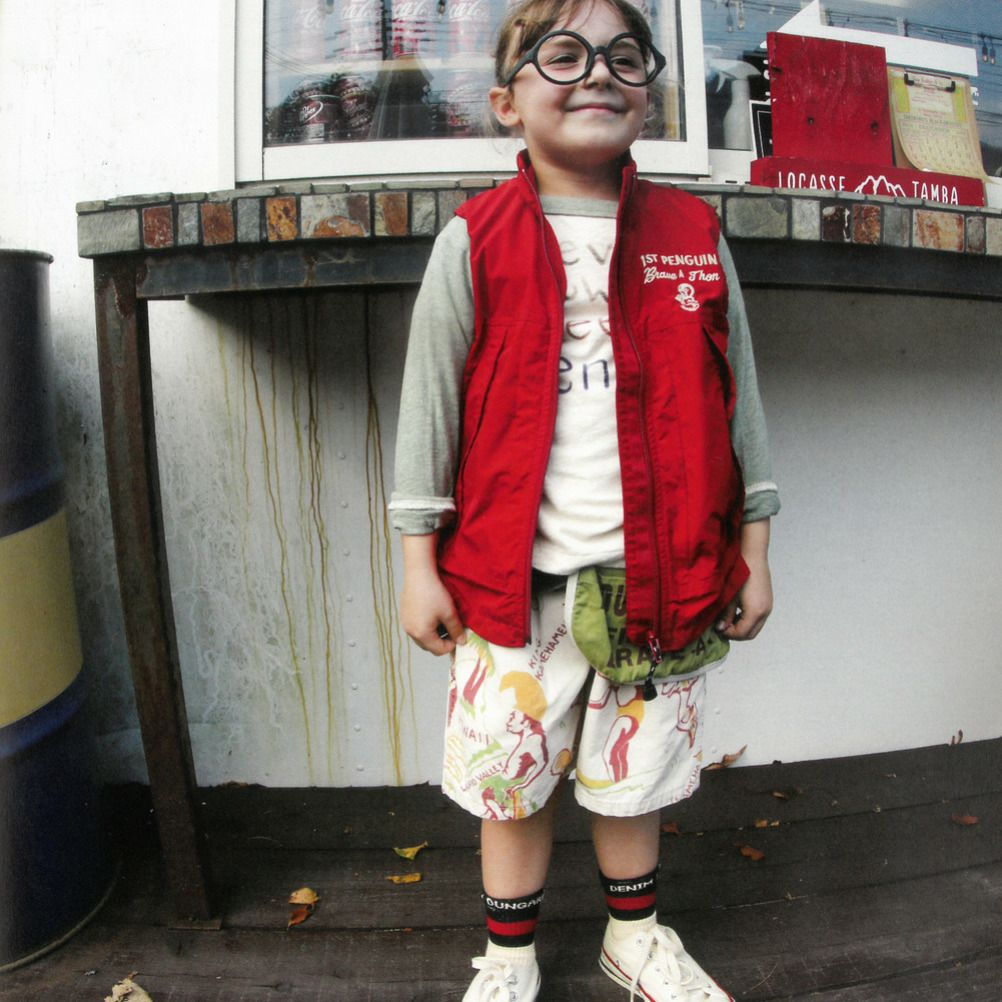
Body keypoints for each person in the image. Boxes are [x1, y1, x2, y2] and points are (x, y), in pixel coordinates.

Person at [389, 0, 780, 997]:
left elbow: (740, 402)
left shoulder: (693, 235)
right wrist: (418, 563)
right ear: (506, 103)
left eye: (623, 56)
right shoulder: (475, 240)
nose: (597, 72)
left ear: (648, 91)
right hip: (511, 591)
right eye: (562, 55)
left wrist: (756, 549)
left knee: (633, 777)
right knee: (511, 783)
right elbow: (429, 409)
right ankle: (509, 956)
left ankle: (633, 939)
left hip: (664, 580)